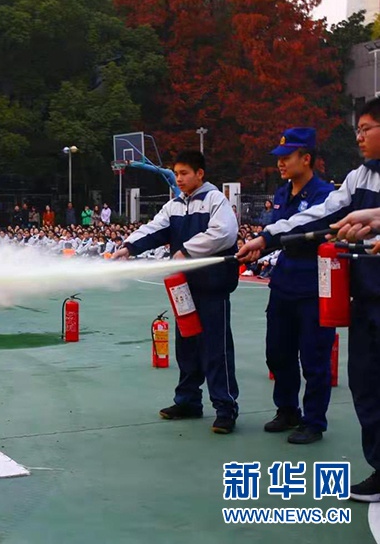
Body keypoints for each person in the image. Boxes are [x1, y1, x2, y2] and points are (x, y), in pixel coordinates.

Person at [238, 98, 380, 500]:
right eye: (358, 129)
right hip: (366, 296)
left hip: (323, 289)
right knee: (365, 384)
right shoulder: (358, 178)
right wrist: (266, 238)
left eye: (366, 128)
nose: (359, 137)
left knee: (317, 358)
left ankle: (312, 419)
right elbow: (320, 215)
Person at [113, 150, 240, 434]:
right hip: (184, 288)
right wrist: (128, 247)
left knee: (216, 349)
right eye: (177, 173)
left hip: (211, 288)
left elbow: (223, 234)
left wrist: (185, 251)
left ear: (200, 174)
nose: (179, 179)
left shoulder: (215, 201)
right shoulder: (175, 205)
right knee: (187, 346)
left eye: (184, 173)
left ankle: (225, 407)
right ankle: (188, 401)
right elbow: (154, 228)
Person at [258, 128, 336, 445]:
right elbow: (273, 233)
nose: (281, 164)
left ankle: (314, 421)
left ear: (306, 159)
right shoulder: (281, 194)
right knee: (278, 352)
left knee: (314, 357)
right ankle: (287, 409)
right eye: (279, 158)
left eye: (287, 157)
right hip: (284, 279)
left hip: (314, 282)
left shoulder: (324, 196)